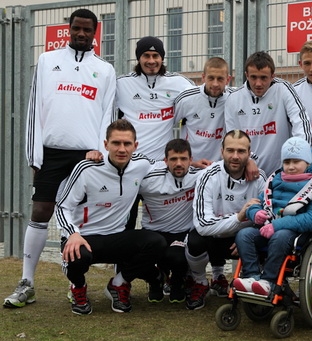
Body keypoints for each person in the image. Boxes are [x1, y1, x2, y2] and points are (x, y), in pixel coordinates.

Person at [3, 8, 116, 309]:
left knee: (77, 220)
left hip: (87, 154)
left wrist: (101, 153)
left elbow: (107, 115)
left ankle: (75, 283)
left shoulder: (105, 70)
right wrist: (34, 157)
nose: (81, 34)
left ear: (95, 32)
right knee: (40, 211)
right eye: (76, 28)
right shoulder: (47, 61)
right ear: (69, 29)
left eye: (87, 30)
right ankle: (27, 282)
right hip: (51, 153)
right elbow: (34, 111)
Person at [55, 119, 166, 315]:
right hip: (85, 238)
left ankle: (118, 284)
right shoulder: (86, 168)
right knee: (76, 256)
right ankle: (78, 288)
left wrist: (197, 166)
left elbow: (170, 167)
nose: (121, 149)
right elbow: (62, 205)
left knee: (156, 242)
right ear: (105, 145)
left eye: (127, 143)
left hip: (116, 237)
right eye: (116, 143)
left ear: (135, 146)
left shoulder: (142, 164)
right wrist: (72, 233)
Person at [114, 36, 195, 230]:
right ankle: (122, 261)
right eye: (146, 56)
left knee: (159, 224)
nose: (151, 61)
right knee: (126, 222)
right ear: (138, 58)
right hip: (130, 165)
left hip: (161, 167)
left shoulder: (178, 82)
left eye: (156, 55)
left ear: (162, 57)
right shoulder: (122, 84)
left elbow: (203, 97)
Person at [233, 137, 312, 295]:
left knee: (280, 236)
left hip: (298, 232)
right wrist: (255, 213)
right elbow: (258, 202)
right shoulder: (275, 179)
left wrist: (276, 225)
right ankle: (252, 277)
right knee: (244, 235)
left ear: (308, 162)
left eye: (296, 162)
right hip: (268, 227)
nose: (290, 167)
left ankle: (269, 281)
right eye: (287, 162)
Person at [185, 130, 266, 310]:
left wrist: (246, 236)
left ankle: (248, 281)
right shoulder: (207, 176)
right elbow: (203, 225)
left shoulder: (260, 178)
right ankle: (201, 282)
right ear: (221, 151)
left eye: (241, 151)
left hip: (243, 240)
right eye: (230, 150)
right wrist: (238, 218)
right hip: (214, 239)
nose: (235, 156)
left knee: (266, 240)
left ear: (249, 152)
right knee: (195, 240)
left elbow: (268, 218)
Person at [225, 51, 312, 175]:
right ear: (246, 75)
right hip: (247, 170)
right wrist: (248, 160)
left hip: (281, 173)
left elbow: (301, 123)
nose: (258, 83)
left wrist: (301, 158)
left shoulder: (284, 89)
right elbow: (231, 139)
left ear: (272, 76)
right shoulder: (234, 98)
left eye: (263, 78)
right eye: (253, 77)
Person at [138, 138, 202, 304]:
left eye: (183, 159)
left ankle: (177, 282)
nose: (178, 163)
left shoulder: (200, 176)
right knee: (134, 255)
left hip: (181, 233)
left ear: (191, 160)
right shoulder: (147, 179)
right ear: (165, 160)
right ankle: (156, 279)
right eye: (173, 159)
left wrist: (250, 163)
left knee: (177, 258)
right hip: (153, 232)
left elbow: (225, 168)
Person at [175, 57, 233, 168]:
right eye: (211, 78)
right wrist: (186, 161)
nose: (215, 84)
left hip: (222, 168)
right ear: (203, 77)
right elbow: (173, 126)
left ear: (228, 79)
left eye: (220, 79)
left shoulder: (234, 98)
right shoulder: (186, 98)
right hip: (192, 166)